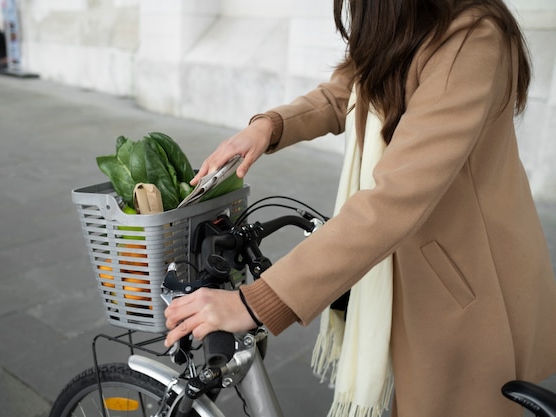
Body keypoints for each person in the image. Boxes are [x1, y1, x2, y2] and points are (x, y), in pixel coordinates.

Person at [164, 1, 556, 416]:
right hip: (409, 264)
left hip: (466, 286)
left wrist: (255, 303)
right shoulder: (413, 21)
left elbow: (393, 199)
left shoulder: (473, 39)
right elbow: (351, 89)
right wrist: (270, 126)